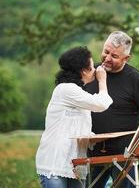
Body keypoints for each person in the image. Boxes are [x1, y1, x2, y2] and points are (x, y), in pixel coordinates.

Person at [36, 46, 113, 188]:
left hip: (76, 166)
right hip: (56, 164)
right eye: (92, 67)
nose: (95, 70)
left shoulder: (77, 93)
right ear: (84, 70)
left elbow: (74, 127)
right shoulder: (65, 89)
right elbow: (101, 104)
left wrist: (92, 138)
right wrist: (102, 81)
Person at [86, 31, 139, 188]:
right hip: (91, 152)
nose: (108, 58)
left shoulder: (136, 79)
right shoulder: (90, 72)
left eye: (114, 56)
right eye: (106, 52)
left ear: (126, 58)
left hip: (124, 154)